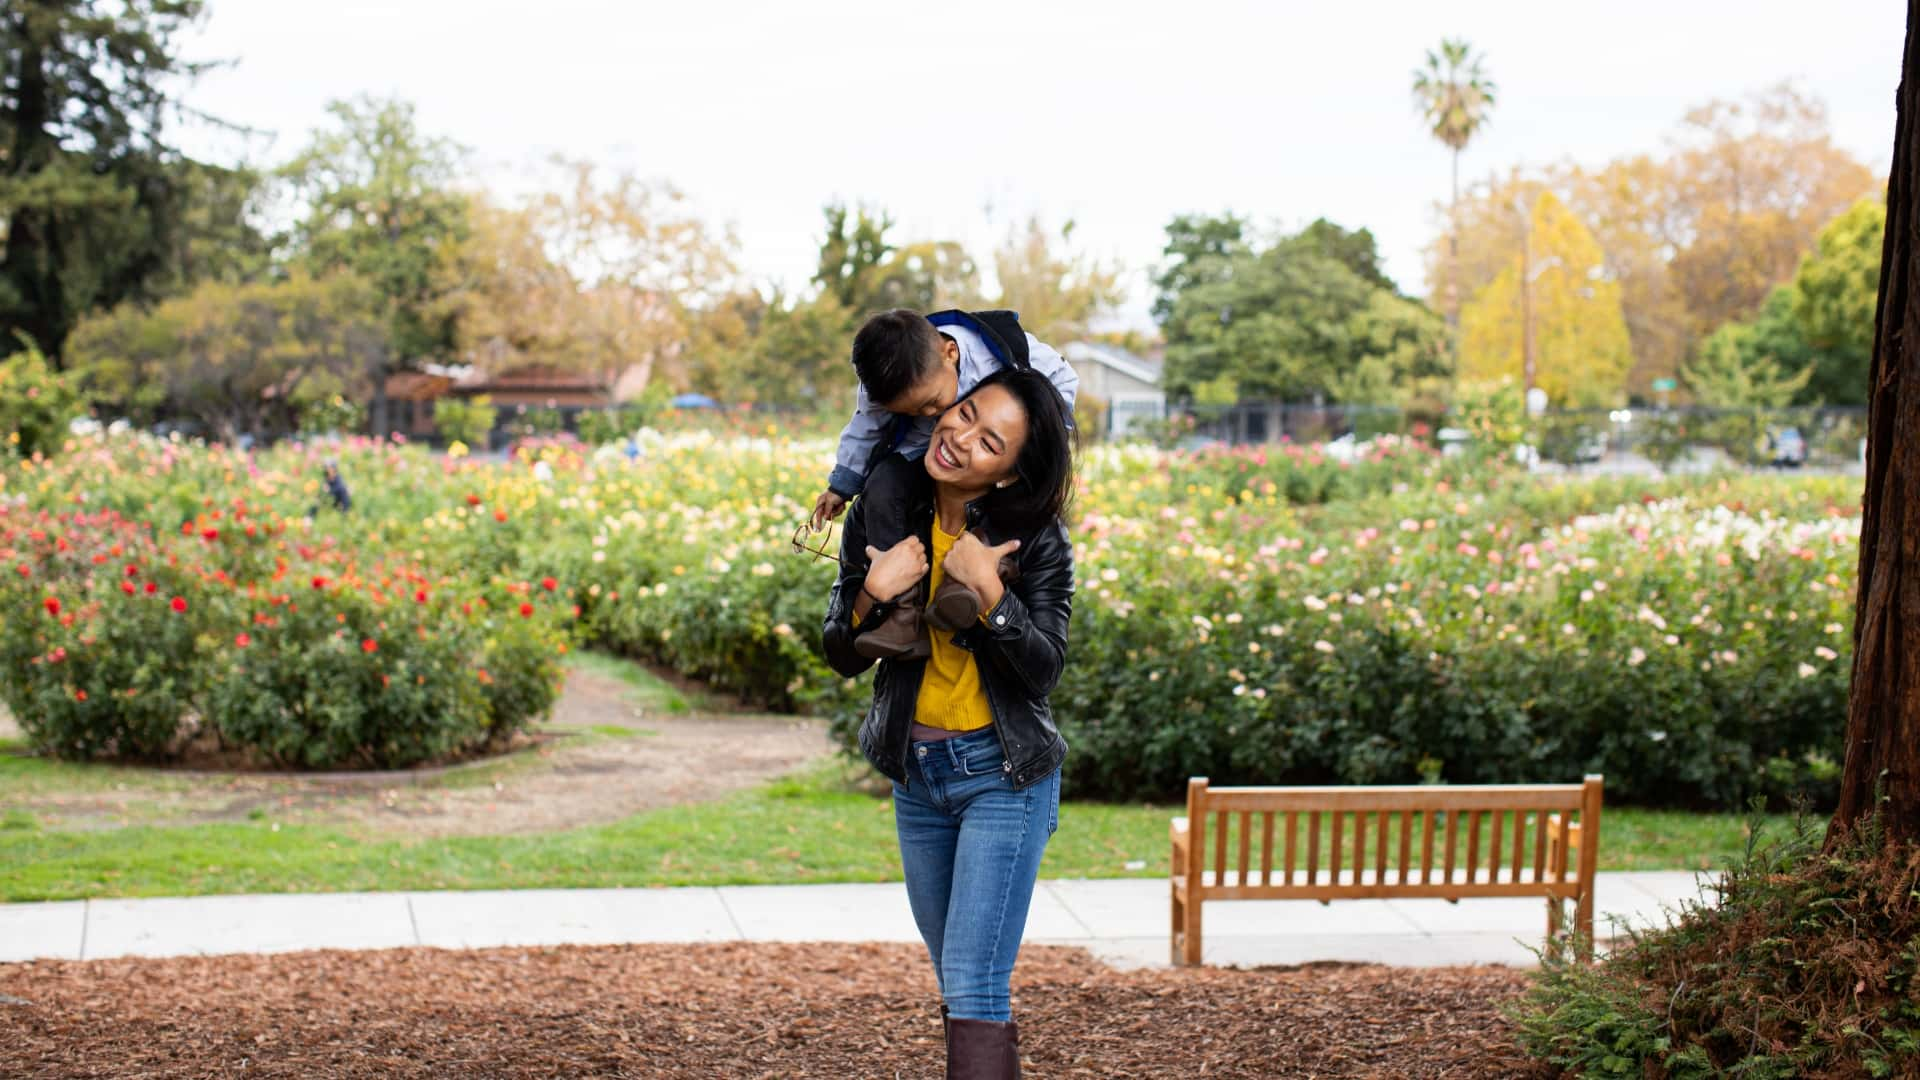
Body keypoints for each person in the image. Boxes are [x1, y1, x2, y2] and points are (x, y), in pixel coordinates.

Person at [820, 367, 1076, 1079]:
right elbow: (840, 652)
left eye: (989, 441)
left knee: (972, 982)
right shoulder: (885, 509)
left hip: (1003, 777)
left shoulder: (1036, 542)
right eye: (963, 414)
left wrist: (994, 596)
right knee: (962, 983)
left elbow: (1044, 668)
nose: (959, 438)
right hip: (920, 782)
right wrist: (873, 592)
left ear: (1009, 473)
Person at [811, 309, 1079, 662]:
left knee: (1013, 494)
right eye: (911, 410)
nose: (928, 414)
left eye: (935, 403)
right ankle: (901, 609)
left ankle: (971, 575)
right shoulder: (891, 387)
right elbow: (865, 428)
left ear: (950, 353)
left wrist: (990, 592)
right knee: (883, 484)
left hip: (1008, 470)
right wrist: (843, 486)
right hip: (919, 450)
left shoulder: (1000, 350)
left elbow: (1045, 669)